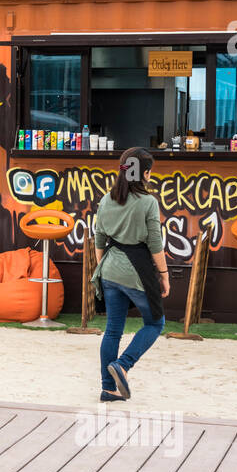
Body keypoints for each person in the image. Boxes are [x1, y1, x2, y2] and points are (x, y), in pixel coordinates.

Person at [91, 147, 168, 402]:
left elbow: (99, 238)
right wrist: (164, 274)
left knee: (113, 330)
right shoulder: (148, 202)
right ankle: (123, 365)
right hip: (137, 270)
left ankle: (108, 388)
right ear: (145, 173)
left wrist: (103, 269)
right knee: (155, 323)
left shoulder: (106, 199)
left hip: (110, 267)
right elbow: (155, 244)